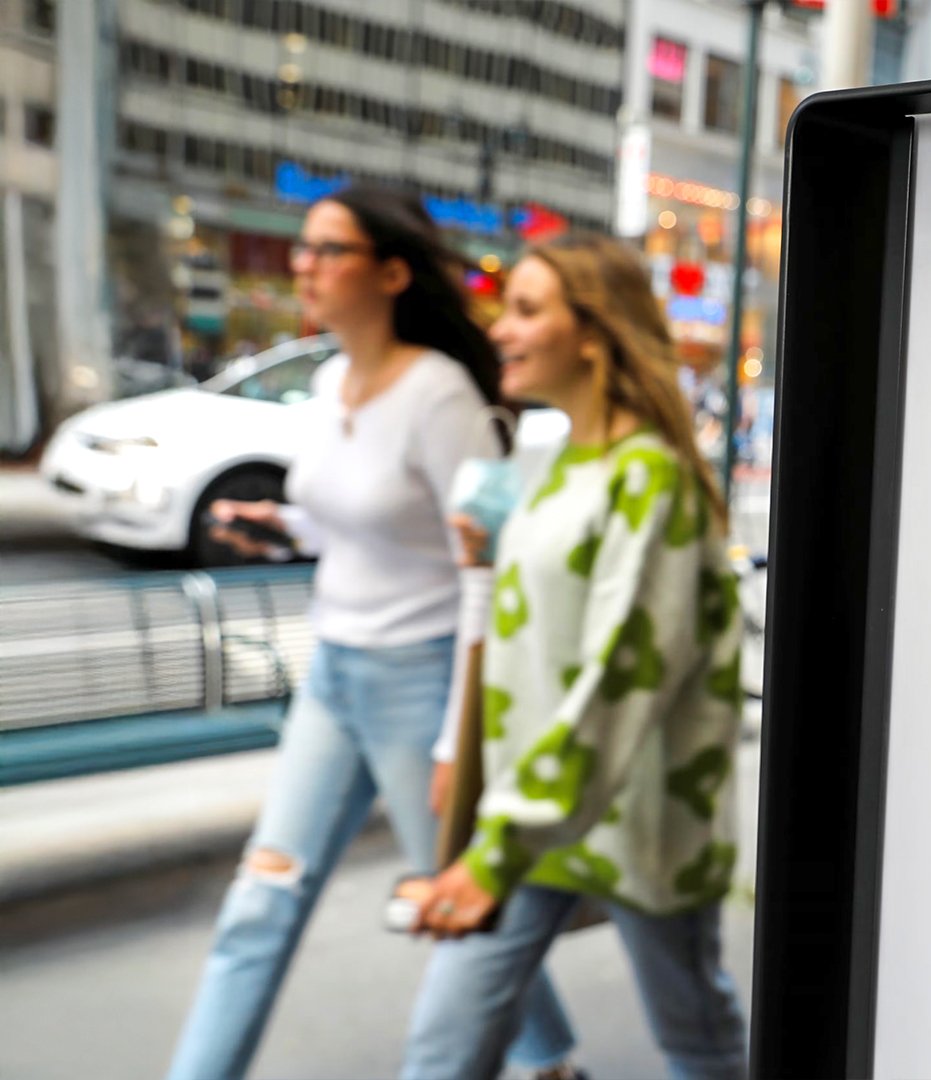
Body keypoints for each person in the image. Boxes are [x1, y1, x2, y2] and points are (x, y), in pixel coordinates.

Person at [166, 186, 583, 1080]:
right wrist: (277, 524)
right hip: (335, 678)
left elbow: (486, 565)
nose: (304, 266)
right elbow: (349, 522)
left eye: (328, 250)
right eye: (304, 250)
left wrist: (452, 739)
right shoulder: (324, 384)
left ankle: (549, 1065)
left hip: (423, 682)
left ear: (392, 273)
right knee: (261, 900)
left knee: (459, 906)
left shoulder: (441, 399)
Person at [400, 233, 747, 1080]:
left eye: (525, 310)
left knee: (696, 1040)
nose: (500, 330)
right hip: (534, 816)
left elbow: (620, 673)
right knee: (444, 1047)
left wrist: (493, 849)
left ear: (591, 332)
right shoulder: (556, 462)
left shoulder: (650, 477)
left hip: (638, 815)